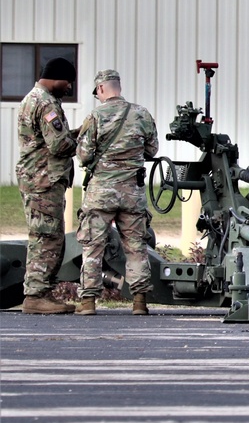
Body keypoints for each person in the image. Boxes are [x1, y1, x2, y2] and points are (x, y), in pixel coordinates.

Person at [75, 70, 159, 316]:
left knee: (93, 246)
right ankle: (140, 302)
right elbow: (152, 150)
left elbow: (84, 155)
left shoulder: (95, 116)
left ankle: (88, 302)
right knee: (136, 246)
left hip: (100, 193)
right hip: (132, 192)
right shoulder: (142, 113)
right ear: (118, 87)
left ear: (101, 89)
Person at [16, 57, 80, 314]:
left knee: (46, 235)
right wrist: (85, 140)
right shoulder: (45, 103)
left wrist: (73, 133)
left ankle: (42, 293)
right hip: (43, 181)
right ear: (56, 78)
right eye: (67, 82)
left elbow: (48, 140)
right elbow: (59, 145)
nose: (69, 88)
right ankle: (36, 296)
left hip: (39, 179)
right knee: (46, 237)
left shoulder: (33, 98)